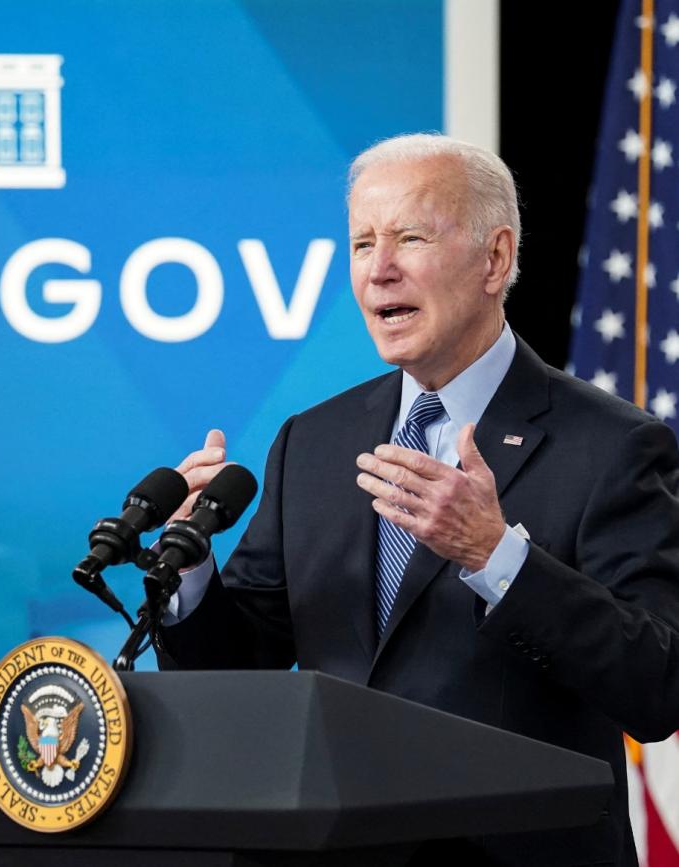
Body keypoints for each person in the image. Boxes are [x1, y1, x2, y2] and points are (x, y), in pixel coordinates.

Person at [157, 133, 679, 866]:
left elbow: (658, 684)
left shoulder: (613, 445)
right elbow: (237, 664)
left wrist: (497, 556)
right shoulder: (313, 440)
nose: (379, 270)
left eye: (409, 237)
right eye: (363, 242)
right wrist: (191, 569)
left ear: (495, 259)